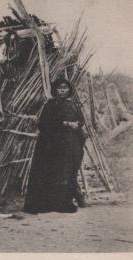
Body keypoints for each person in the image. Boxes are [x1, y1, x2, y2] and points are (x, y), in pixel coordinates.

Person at [24, 78, 87, 214]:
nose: (63, 90)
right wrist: (64, 124)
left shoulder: (73, 105)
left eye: (65, 88)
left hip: (70, 145)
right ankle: (48, 204)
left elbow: (81, 120)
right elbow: (44, 124)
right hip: (53, 146)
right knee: (53, 172)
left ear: (69, 90)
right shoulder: (51, 105)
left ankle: (64, 203)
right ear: (55, 90)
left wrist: (77, 124)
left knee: (67, 172)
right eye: (60, 88)